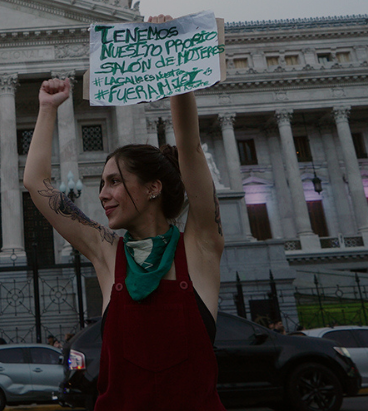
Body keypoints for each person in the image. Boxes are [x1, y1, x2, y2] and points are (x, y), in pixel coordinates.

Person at [23, 23, 227, 411]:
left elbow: (189, 149)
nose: (103, 194)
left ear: (153, 188)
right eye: (102, 183)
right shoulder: (108, 255)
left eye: (115, 182)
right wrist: (47, 109)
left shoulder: (200, 247)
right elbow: (36, 183)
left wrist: (175, 62)